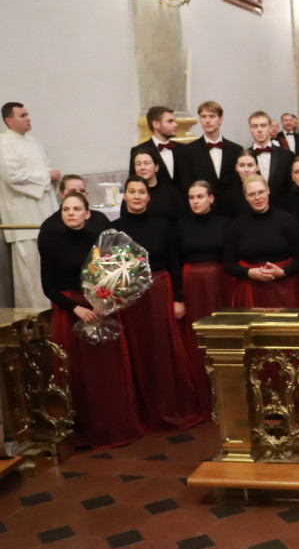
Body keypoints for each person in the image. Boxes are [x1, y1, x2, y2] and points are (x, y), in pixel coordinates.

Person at [39, 191, 144, 448]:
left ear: (87, 213)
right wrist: (76, 308)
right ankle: (84, 428)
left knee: (108, 370)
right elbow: (48, 287)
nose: (71, 213)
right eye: (66, 210)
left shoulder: (99, 240)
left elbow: (116, 273)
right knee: (78, 372)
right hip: (70, 312)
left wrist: (106, 300)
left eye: (76, 209)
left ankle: (117, 424)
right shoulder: (51, 241)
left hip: (100, 307)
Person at [112, 176, 202, 430]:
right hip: (128, 297)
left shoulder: (163, 225)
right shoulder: (114, 230)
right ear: (125, 196)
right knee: (136, 350)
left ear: (148, 197)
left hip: (160, 291)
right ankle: (141, 411)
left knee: (163, 349)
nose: (138, 196)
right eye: (132, 191)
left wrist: (178, 299)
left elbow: (175, 264)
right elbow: (107, 269)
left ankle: (170, 407)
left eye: (142, 192)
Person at [176, 181, 232, 416]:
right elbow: (175, 263)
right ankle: (206, 399)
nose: (195, 201)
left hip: (221, 284)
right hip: (192, 286)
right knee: (198, 339)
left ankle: (231, 396)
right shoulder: (180, 226)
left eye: (200, 196)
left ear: (211, 198)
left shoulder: (225, 224)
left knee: (226, 337)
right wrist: (178, 298)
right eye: (191, 197)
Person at [0, 101, 60, 308]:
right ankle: (34, 314)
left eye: (28, 114)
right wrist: (46, 176)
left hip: (42, 211)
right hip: (23, 217)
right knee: (30, 271)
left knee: (46, 266)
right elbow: (12, 176)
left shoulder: (33, 142)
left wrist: (51, 176)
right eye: (23, 115)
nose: (28, 118)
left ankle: (52, 308)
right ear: (9, 121)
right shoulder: (3, 144)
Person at [223, 174, 299, 307]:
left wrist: (283, 272)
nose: (257, 198)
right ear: (245, 197)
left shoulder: (287, 220)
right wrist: (249, 272)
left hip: (285, 290)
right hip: (250, 292)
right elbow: (228, 263)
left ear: (268, 190)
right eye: (252, 194)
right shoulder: (237, 225)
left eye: (261, 192)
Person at [180, 100, 243, 210]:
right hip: (203, 213)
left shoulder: (236, 150)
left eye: (212, 116)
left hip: (231, 211)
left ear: (220, 119)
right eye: (203, 117)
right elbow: (186, 184)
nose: (207, 121)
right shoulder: (188, 151)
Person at [129, 105, 186, 190]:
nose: (175, 124)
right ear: (156, 124)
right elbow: (135, 184)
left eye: (174, 121)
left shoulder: (184, 149)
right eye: (170, 122)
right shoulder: (139, 150)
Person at [120, 151, 186, 223]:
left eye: (147, 163)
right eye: (138, 164)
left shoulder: (171, 192)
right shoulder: (131, 194)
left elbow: (182, 220)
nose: (142, 167)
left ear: (156, 167)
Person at [249, 110, 295, 198]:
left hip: (282, 207)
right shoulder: (244, 156)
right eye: (255, 126)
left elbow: (291, 187)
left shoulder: (287, 155)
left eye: (263, 126)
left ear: (270, 128)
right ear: (250, 130)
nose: (259, 130)